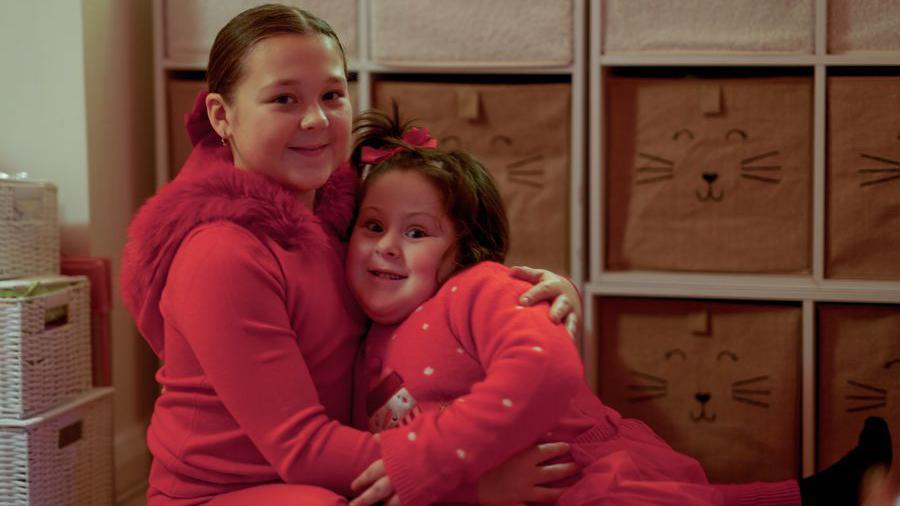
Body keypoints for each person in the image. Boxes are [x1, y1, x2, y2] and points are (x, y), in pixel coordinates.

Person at [120, 5, 581, 505]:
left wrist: (537, 295)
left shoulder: (345, 209)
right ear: (221, 116)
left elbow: (443, 272)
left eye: (332, 95)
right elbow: (302, 446)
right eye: (284, 99)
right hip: (232, 491)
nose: (316, 118)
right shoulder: (221, 255)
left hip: (339, 460)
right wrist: (466, 480)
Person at [342, 110, 895, 506]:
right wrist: (474, 489)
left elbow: (542, 368)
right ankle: (834, 490)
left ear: (466, 249)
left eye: (417, 232)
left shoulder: (476, 288)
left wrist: (443, 465)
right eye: (372, 226)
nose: (386, 245)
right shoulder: (361, 341)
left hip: (579, 471)